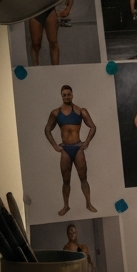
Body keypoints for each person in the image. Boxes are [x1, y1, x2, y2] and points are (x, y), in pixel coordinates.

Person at [44, 84, 97, 216]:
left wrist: (87, 142)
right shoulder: (55, 113)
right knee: (66, 180)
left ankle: (88, 203)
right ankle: (66, 206)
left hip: (78, 148)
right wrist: (55, 146)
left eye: (69, 94)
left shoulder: (80, 111)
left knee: (83, 178)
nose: (67, 96)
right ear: (61, 96)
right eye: (64, 95)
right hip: (65, 150)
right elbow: (47, 129)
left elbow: (93, 127)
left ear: (72, 95)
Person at [28, 0, 73, 66]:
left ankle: (55, 70)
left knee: (53, 42)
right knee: (36, 44)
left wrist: (69, 7)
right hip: (35, 9)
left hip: (51, 8)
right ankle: (36, 67)